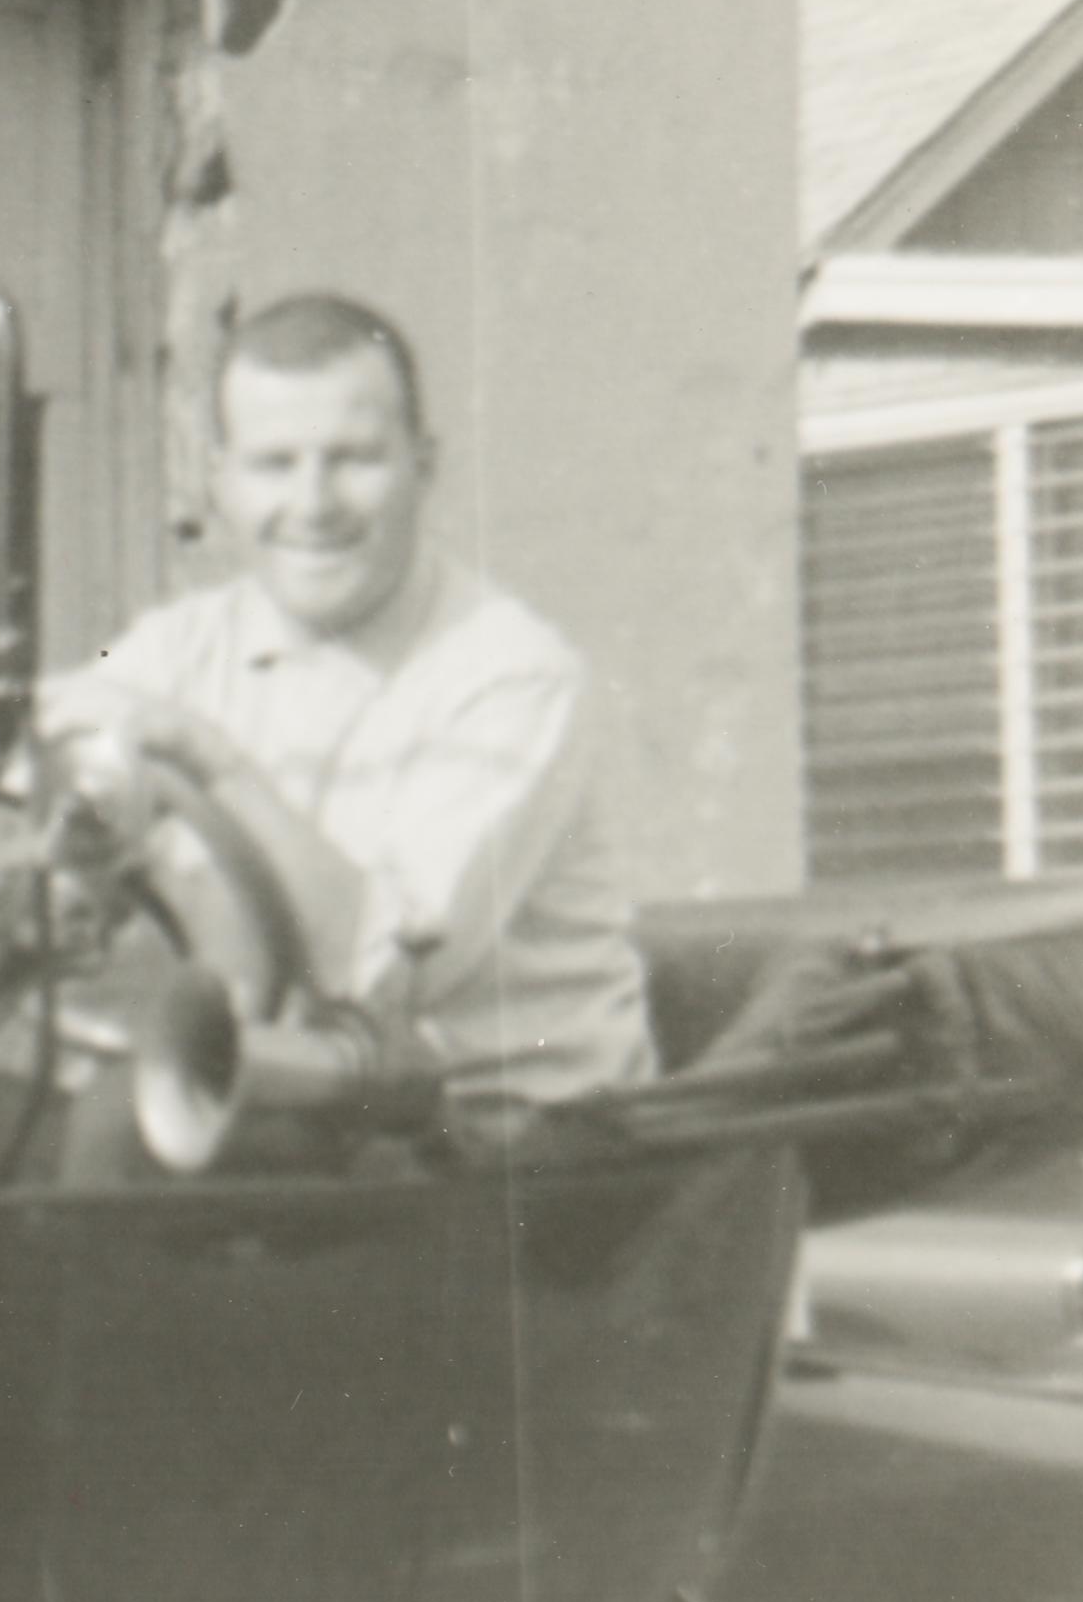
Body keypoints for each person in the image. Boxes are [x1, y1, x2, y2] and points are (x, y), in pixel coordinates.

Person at [50, 291, 654, 1105]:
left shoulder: (512, 675)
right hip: (309, 1116)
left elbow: (381, 976)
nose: (313, 504)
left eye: (354, 458)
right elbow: (46, 740)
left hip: (512, 1146)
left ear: (424, 466)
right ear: (220, 481)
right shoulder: (182, 648)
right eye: (274, 464)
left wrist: (211, 758)